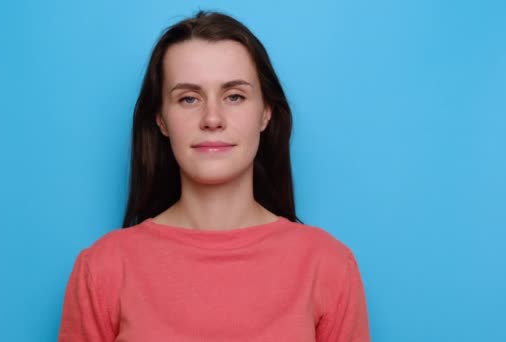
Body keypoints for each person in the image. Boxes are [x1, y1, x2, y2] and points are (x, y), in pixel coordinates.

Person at [58, 10, 370, 341]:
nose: (212, 118)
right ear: (161, 119)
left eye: (234, 96)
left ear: (265, 112)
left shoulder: (328, 266)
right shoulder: (102, 269)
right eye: (188, 98)